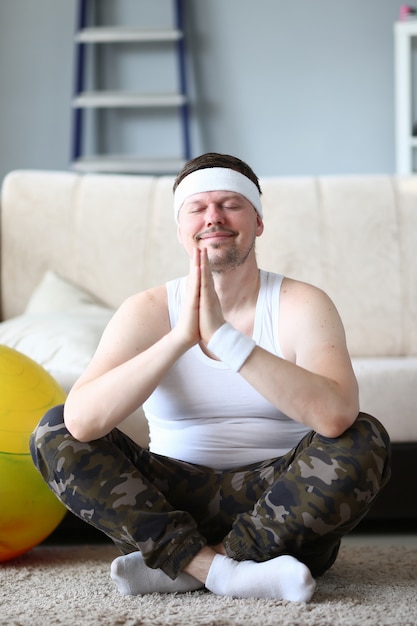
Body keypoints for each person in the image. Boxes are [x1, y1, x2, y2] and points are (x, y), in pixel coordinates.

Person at [30, 152, 391, 603]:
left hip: (281, 507)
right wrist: (181, 337)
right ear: (181, 229)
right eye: (197, 208)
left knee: (365, 435)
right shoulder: (146, 310)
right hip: (168, 507)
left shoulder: (302, 303)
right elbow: (82, 424)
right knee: (53, 429)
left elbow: (336, 416)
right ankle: (219, 569)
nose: (213, 217)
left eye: (230, 204)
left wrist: (226, 340)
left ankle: (185, 568)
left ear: (258, 221)